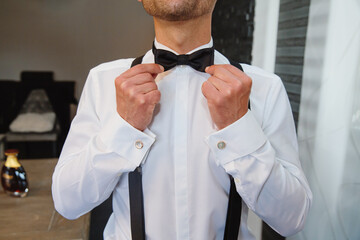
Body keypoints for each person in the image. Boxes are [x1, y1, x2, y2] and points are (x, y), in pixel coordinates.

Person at [52, 0, 312, 239]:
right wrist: (124, 126)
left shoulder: (265, 88)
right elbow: (68, 202)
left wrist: (239, 127)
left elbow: (292, 218)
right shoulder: (103, 81)